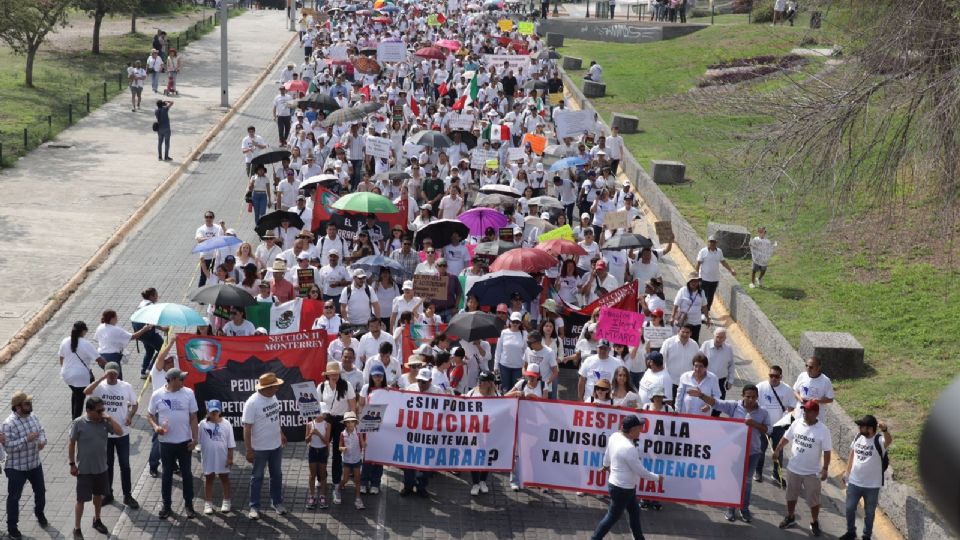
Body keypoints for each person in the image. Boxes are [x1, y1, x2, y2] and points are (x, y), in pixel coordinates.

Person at [687, 384, 772, 522]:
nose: (750, 399)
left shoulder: (763, 412)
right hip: (734, 451)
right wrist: (702, 396)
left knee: (747, 481)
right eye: (747, 396)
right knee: (733, 480)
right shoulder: (734, 406)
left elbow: (769, 430)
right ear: (742, 396)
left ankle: (744, 509)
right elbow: (716, 403)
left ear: (757, 397)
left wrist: (754, 424)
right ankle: (731, 508)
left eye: (753, 397)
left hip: (753, 452)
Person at [590, 415, 664, 540]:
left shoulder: (615, 436)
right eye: (639, 428)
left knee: (634, 512)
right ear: (633, 430)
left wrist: (605, 465)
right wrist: (657, 478)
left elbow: (607, 453)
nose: (641, 430)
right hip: (622, 489)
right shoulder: (629, 449)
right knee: (612, 517)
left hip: (623, 487)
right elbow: (641, 472)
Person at [82, 363, 140, 509]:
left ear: (119, 373)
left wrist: (130, 415)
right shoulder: (100, 387)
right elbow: (86, 391)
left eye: (114, 373)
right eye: (109, 373)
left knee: (125, 465)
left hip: (122, 432)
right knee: (107, 465)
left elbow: (134, 404)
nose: (112, 376)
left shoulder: (126, 386)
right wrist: (100, 379)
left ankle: (127, 495)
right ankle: (108, 494)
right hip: (104, 433)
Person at [146, 367, 199, 520]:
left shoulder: (188, 393)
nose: (184, 381)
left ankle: (189, 505)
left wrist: (195, 439)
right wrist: (156, 427)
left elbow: (194, 417)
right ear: (173, 380)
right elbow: (149, 415)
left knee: (187, 475)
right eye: (181, 379)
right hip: (166, 443)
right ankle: (166, 506)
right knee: (167, 475)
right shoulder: (157, 395)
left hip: (184, 442)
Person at [774, 401, 833, 536]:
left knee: (813, 500)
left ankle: (814, 521)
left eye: (809, 411)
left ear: (816, 413)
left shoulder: (823, 430)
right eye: (804, 410)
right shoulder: (797, 423)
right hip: (793, 469)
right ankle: (790, 516)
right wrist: (777, 450)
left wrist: (825, 469)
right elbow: (786, 438)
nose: (805, 413)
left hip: (812, 473)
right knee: (791, 496)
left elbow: (827, 451)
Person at [68, 396, 123, 539]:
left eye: (103, 410)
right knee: (81, 500)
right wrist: (72, 464)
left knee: (98, 496)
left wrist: (109, 418)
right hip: (84, 470)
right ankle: (77, 528)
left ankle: (97, 519)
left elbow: (120, 432)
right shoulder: (79, 423)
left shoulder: (104, 422)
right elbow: (72, 443)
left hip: (101, 468)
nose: (101, 413)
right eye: (99, 411)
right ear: (88, 410)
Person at [2, 391, 49, 540]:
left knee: (40, 491)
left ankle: (39, 513)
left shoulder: (32, 416)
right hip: (17, 468)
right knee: (14, 498)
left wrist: (42, 441)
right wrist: (25, 439)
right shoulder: (8, 424)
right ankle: (12, 527)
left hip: (35, 463)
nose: (30, 405)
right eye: (27, 403)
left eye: (30, 403)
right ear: (17, 407)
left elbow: (41, 431)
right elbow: (8, 447)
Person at [243, 372, 287, 519]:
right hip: (259, 448)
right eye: (274, 387)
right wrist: (249, 450)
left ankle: (277, 502)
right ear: (266, 388)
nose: (277, 389)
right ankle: (254, 507)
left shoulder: (272, 396)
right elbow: (247, 428)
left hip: (275, 446)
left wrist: (280, 434)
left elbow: (275, 418)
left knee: (277, 475)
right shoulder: (252, 403)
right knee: (257, 477)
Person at [840, 415, 892, 540]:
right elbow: (852, 454)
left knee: (869, 513)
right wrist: (847, 473)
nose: (859, 428)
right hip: (854, 482)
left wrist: (885, 430)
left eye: (862, 426)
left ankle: (866, 536)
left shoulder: (879, 440)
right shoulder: (858, 437)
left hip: (872, 486)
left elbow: (889, 441)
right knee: (849, 508)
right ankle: (851, 532)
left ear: (870, 428)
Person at [400, 368, 442, 498]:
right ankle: (408, 486)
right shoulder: (410, 389)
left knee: (425, 461)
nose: (421, 384)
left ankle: (421, 487)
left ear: (430, 381)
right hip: (412, 431)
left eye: (424, 382)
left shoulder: (438, 392)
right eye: (419, 381)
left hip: (428, 433)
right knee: (409, 459)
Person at [319, 362, 356, 504]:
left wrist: (351, 424)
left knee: (337, 454)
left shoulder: (347, 385)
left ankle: (336, 485)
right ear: (327, 374)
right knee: (321, 450)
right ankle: (321, 478)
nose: (334, 375)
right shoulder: (322, 387)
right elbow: (317, 406)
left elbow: (352, 406)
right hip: (326, 421)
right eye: (331, 373)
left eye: (336, 373)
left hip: (341, 421)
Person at [755, 364, 797, 483]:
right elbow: (754, 401)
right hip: (763, 425)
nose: (773, 378)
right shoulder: (761, 387)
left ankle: (777, 475)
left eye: (776, 376)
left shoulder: (787, 389)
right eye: (771, 376)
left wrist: (787, 416)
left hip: (778, 426)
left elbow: (792, 406)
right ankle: (758, 472)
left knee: (778, 452)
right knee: (760, 450)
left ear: (781, 377)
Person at [60, 321, 106, 421]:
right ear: (83, 331)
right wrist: (110, 367)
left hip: (67, 375)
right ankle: (75, 422)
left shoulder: (65, 341)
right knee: (80, 399)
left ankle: (74, 417)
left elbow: (61, 358)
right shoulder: (85, 344)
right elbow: (99, 360)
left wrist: (65, 369)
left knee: (76, 394)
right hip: (80, 377)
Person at [199, 400, 235, 515]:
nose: (214, 414)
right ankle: (208, 503)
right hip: (208, 458)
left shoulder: (226, 424)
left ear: (220, 411)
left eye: (216, 411)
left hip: (222, 457)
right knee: (209, 478)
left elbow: (230, 444)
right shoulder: (202, 425)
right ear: (207, 412)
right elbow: (196, 438)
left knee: (224, 478)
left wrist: (230, 458)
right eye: (211, 412)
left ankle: (226, 501)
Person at [695, 236, 736, 319]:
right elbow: (698, 263)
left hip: (714, 279)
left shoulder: (719, 252)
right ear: (708, 242)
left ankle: (706, 312)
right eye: (710, 242)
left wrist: (730, 269)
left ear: (716, 243)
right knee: (703, 295)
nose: (712, 243)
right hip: (703, 278)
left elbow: (723, 262)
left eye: (714, 242)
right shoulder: (703, 251)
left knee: (710, 296)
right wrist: (696, 274)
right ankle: (701, 312)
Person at [659, 324, 699, 398]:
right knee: (670, 406)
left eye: (687, 332)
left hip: (688, 383)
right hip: (671, 382)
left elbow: (697, 363)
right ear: (678, 331)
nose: (685, 334)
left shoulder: (694, 345)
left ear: (691, 333)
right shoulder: (668, 343)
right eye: (683, 332)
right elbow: (661, 360)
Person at [699, 327, 734, 412]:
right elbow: (698, 360)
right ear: (714, 335)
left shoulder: (728, 349)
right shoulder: (706, 345)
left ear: (725, 338)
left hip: (720, 381)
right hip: (706, 379)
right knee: (703, 402)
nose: (719, 339)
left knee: (719, 405)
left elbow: (731, 365)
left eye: (721, 337)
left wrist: (730, 380)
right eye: (717, 336)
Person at [305, 404, 332, 510]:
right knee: (312, 475)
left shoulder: (327, 425)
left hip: (322, 451)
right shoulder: (309, 424)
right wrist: (311, 434)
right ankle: (312, 496)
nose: (319, 415)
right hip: (312, 450)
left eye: (321, 413)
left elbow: (326, 441)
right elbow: (306, 440)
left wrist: (318, 434)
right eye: (317, 413)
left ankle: (322, 496)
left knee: (322, 474)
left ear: (324, 415)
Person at [337, 411, 366, 510]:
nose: (350, 424)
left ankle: (358, 499)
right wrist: (342, 449)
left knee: (358, 480)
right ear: (345, 424)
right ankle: (338, 489)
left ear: (355, 423)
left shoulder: (359, 433)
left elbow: (362, 445)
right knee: (345, 479)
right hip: (347, 460)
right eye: (348, 422)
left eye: (352, 422)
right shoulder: (342, 434)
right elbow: (339, 447)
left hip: (357, 459)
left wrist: (364, 443)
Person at [495, 312, 527, 394]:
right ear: (510, 321)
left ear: (520, 323)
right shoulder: (503, 332)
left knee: (516, 390)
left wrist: (525, 367)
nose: (515, 324)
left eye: (517, 322)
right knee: (505, 389)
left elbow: (527, 351)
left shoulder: (524, 334)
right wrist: (496, 366)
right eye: (513, 321)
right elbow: (498, 350)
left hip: (518, 367)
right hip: (504, 366)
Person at [671, 274, 707, 341]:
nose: (694, 283)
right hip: (684, 322)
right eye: (692, 281)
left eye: (696, 281)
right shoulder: (682, 290)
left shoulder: (701, 292)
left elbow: (704, 306)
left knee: (694, 341)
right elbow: (676, 304)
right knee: (682, 340)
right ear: (689, 282)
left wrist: (708, 318)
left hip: (696, 322)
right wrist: (672, 317)